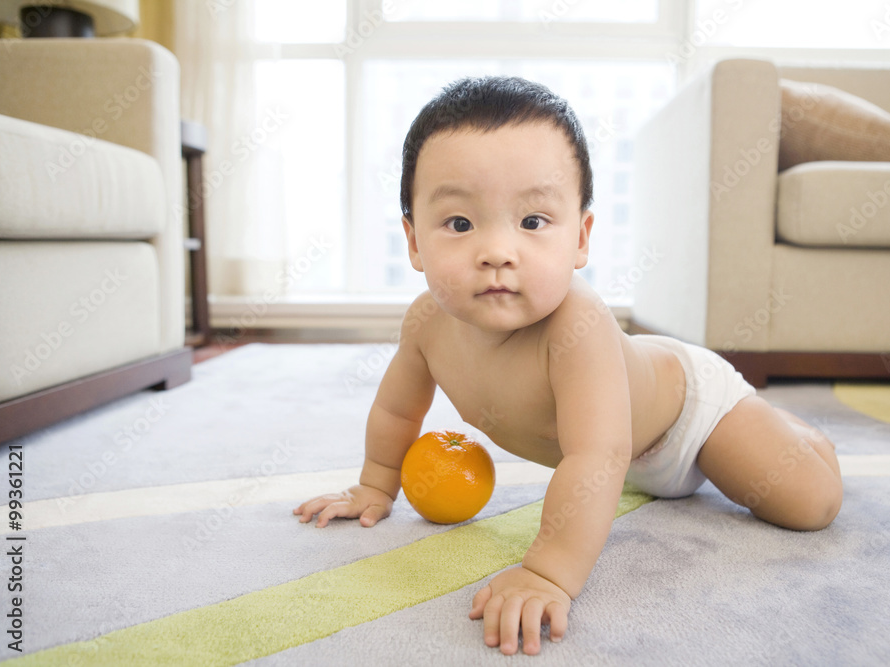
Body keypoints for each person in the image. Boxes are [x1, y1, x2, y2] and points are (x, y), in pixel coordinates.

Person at [294, 76, 843, 656]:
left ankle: (800, 436)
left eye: (533, 222)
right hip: (618, 457)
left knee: (809, 504)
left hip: (688, 419)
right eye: (460, 223)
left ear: (580, 237)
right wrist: (375, 484)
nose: (498, 251)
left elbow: (598, 455)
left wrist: (549, 572)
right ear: (413, 241)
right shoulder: (425, 323)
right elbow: (397, 408)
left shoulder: (578, 325)